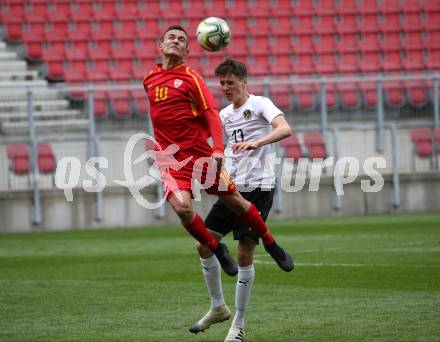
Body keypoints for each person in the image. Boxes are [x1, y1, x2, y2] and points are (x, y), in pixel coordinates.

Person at [142, 25, 293, 279]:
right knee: (182, 208)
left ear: (188, 50)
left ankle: (270, 242)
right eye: (171, 37)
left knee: (236, 204)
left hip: (204, 157)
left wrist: (217, 150)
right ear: (161, 45)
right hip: (170, 158)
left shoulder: (193, 78)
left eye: (181, 39)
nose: (176, 41)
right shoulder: (148, 80)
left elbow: (210, 114)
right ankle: (218, 250)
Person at [188, 59, 293, 341]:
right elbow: (217, 149)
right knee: (203, 243)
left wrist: (258, 142)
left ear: (243, 82)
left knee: (244, 255)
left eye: (230, 83)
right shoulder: (223, 115)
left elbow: (285, 128)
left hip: (258, 188)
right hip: (232, 189)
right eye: (221, 83)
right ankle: (217, 306)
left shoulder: (260, 104)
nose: (225, 88)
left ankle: (238, 324)